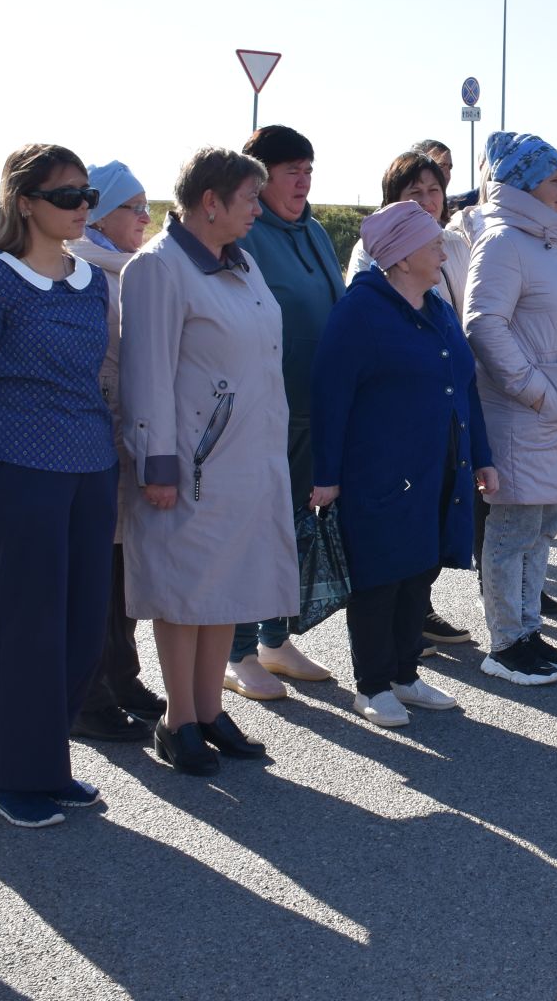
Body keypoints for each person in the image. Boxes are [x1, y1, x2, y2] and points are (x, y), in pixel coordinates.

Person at [0, 144, 116, 829]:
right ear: (27, 203)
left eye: (85, 193)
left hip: (89, 469)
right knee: (21, 627)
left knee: (78, 624)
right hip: (17, 472)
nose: (82, 206)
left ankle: (49, 765)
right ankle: (10, 776)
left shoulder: (91, 281)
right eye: (66, 195)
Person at [120, 148, 296, 775]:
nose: (258, 207)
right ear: (210, 202)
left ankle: (207, 710)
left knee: (227, 586)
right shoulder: (158, 268)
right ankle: (178, 720)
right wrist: (156, 461)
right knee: (183, 588)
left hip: (249, 454)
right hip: (191, 459)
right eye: (249, 197)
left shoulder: (241, 262)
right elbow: (147, 372)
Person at [312, 202, 494, 727]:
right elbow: (330, 393)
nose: (443, 249)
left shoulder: (435, 307)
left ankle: (405, 675)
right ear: (401, 255)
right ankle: (371, 685)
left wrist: (482, 458)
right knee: (379, 576)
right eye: (433, 242)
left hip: (440, 468)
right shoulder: (360, 311)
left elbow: (466, 388)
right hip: (379, 471)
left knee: (419, 570)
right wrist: (326, 474)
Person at [463, 133, 557, 685]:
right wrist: (535, 388)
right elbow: (482, 324)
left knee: (543, 529)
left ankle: (527, 631)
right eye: (556, 181)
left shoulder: (544, 240)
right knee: (513, 532)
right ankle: (504, 642)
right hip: (527, 417)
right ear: (523, 183)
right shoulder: (502, 242)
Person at [221, 126, 343, 701]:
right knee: (255, 529)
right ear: (259, 176)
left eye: (309, 168)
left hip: (317, 409)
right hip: (264, 412)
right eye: (291, 169)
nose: (304, 179)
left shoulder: (315, 231)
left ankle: (275, 637)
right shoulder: (244, 235)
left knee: (294, 527)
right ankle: (237, 649)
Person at [62, 160, 164, 742]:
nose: (146, 218)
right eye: (135, 207)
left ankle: (123, 676)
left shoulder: (129, 269)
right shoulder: (84, 268)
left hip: (128, 435)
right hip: (96, 435)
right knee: (95, 568)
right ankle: (89, 694)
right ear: (101, 215)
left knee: (123, 567)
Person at [346, 150, 472, 314]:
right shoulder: (371, 249)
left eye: (434, 190)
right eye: (415, 192)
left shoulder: (457, 245)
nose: (426, 201)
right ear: (393, 201)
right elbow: (361, 309)